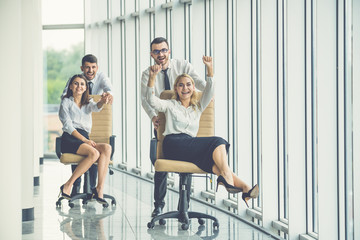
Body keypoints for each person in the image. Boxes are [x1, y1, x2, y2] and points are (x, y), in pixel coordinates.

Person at [146, 56, 259, 207]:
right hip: (173, 144)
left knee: (214, 164)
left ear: (193, 88)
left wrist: (210, 69)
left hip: (190, 146)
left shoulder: (198, 107)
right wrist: (152, 78)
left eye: (188, 85)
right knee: (218, 141)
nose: (185, 88)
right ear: (176, 89)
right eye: (181, 85)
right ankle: (229, 179)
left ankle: (244, 188)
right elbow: (151, 100)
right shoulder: (170, 105)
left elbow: (210, 90)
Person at [141, 37, 207, 217]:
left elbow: (201, 85)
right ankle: (159, 205)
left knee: (186, 164)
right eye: (156, 51)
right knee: (160, 165)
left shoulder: (183, 66)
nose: (160, 54)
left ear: (169, 51)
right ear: (151, 54)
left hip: (185, 118)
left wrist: (198, 94)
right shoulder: (148, 73)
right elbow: (146, 100)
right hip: (162, 121)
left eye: (163, 50)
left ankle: (183, 207)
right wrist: (153, 116)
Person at [61, 54, 113, 197]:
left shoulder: (88, 102)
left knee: (107, 148)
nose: (79, 86)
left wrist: (103, 100)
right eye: (76, 84)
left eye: (82, 84)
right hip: (70, 138)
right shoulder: (66, 103)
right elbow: (68, 127)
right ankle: (68, 185)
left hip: (84, 138)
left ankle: (99, 188)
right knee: (94, 153)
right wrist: (85, 140)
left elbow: (96, 107)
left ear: (86, 88)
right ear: (71, 86)